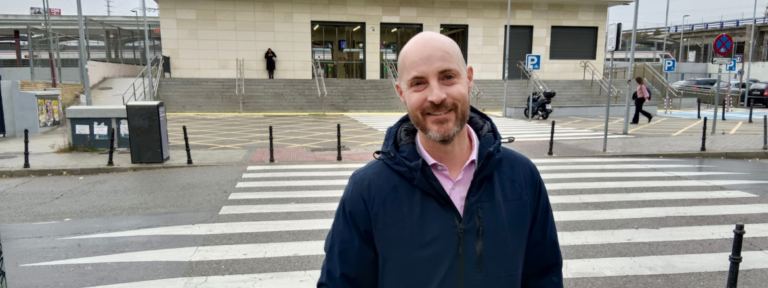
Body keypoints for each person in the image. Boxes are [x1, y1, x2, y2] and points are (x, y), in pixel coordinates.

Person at [317, 31, 563, 288]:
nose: (436, 96)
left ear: (468, 79)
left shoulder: (522, 177)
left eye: (447, 77)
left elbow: (544, 277)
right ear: (401, 93)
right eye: (418, 83)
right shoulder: (367, 190)